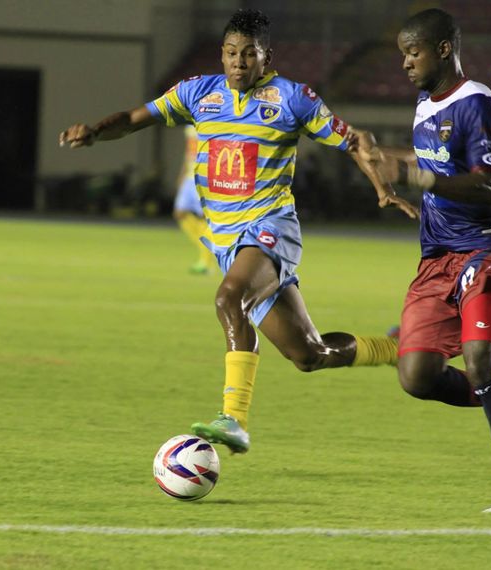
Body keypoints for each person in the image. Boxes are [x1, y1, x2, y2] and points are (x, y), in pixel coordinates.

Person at [61, 9, 416, 455]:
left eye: (249, 54)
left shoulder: (294, 98)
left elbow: (355, 141)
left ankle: (234, 420)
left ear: (267, 56)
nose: (239, 62)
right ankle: (396, 347)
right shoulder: (197, 93)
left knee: (230, 298)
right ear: (222, 54)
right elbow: (135, 119)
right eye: (231, 53)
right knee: (308, 354)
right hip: (228, 242)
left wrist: (382, 188)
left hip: (270, 228)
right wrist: (94, 130)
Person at [358, 9, 491, 513]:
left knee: (480, 360)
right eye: (402, 53)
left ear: (443, 49)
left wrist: (413, 176)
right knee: (416, 377)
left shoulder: (478, 102)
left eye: (412, 52)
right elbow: (431, 159)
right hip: (436, 257)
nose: (404, 62)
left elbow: (486, 185)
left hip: (486, 248)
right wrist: (380, 153)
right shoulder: (425, 103)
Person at [174, 124, 217, 274]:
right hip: (189, 178)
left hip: (203, 177)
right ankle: (205, 248)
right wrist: (182, 174)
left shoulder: (210, 123)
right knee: (179, 213)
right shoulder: (189, 128)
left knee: (203, 217)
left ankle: (206, 262)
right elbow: (188, 154)